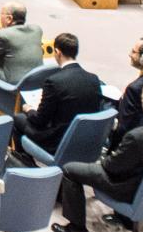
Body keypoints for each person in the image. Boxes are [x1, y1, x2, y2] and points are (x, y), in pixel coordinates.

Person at [51, 80, 143, 232]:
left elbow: (112, 167)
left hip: (129, 187)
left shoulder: (139, 136)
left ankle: (77, 229)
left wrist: (105, 159)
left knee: (70, 170)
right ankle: (125, 219)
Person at [13, 33, 103, 161]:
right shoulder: (94, 79)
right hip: (83, 140)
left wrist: (29, 109)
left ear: (57, 52)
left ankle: (24, 163)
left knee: (19, 119)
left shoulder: (54, 81)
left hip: (57, 142)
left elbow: (40, 121)